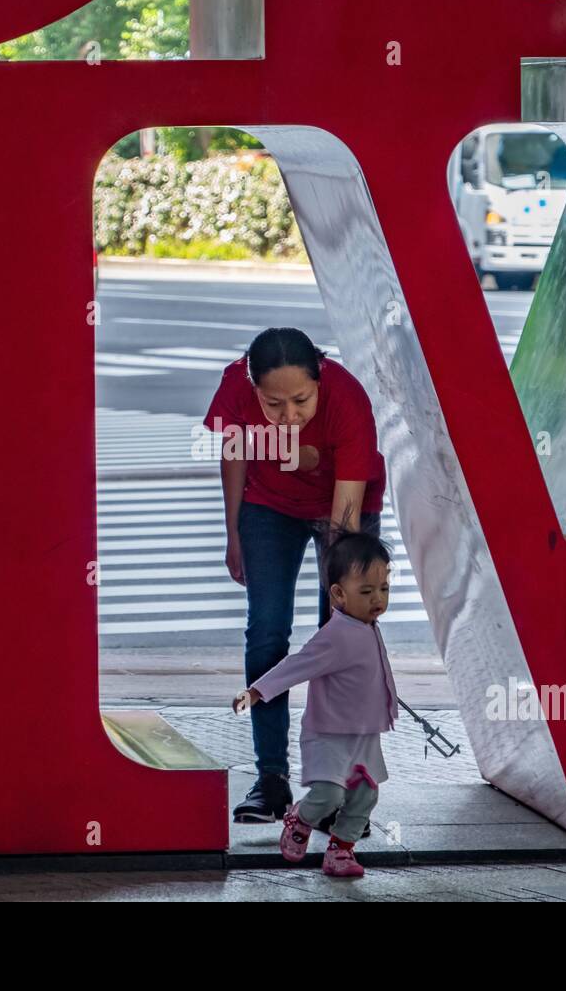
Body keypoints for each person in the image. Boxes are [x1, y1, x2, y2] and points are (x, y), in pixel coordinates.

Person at [204, 327, 388, 825]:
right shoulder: (235, 388)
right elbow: (236, 454)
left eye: (301, 401)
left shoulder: (347, 399)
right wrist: (234, 532)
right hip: (269, 506)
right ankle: (272, 780)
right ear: (252, 385)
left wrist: (343, 590)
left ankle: (337, 788)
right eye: (274, 403)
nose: (289, 416)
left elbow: (345, 515)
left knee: (339, 638)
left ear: (319, 378)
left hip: (344, 506)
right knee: (266, 634)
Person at [233, 532, 398, 878]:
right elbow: (297, 665)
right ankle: (300, 818)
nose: (377, 600)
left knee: (366, 796)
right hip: (330, 735)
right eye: (366, 592)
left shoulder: (367, 625)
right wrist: (256, 692)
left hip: (364, 735)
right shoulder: (335, 635)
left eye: (383, 589)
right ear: (337, 595)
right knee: (328, 795)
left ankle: (341, 849)